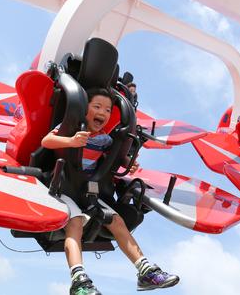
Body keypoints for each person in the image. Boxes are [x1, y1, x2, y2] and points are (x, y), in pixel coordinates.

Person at [41, 88, 179, 295]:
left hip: (88, 190)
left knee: (116, 220)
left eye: (107, 110)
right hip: (64, 187)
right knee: (75, 222)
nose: (102, 113)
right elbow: (46, 141)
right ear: (84, 109)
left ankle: (145, 271)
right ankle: (79, 280)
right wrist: (70, 141)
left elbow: (113, 156)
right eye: (97, 107)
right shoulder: (70, 128)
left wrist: (126, 161)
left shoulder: (105, 139)